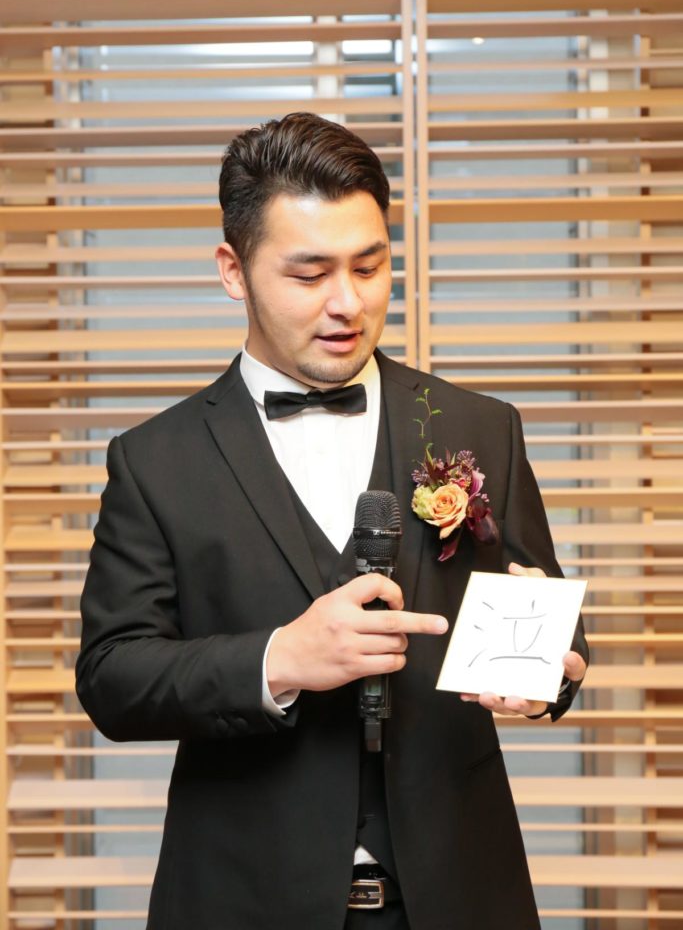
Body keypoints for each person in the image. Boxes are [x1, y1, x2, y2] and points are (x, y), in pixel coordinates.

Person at [76, 112, 588, 930]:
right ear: (234, 271)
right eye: (309, 274)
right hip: (242, 902)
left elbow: (544, 613)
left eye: (369, 266)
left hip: (459, 894)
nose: (347, 303)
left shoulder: (479, 427)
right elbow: (112, 678)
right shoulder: (154, 460)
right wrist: (279, 658)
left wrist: (548, 677)